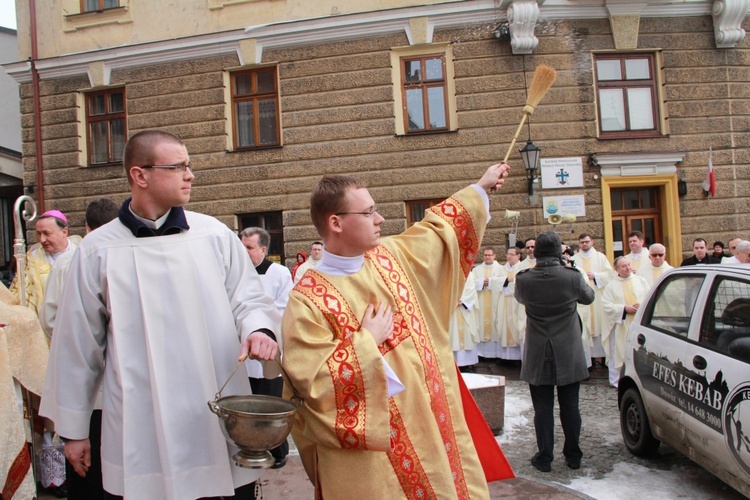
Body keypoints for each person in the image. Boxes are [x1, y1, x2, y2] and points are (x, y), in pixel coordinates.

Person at [39, 130, 282, 500]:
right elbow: (77, 345)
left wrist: (259, 329)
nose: (190, 174)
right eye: (179, 166)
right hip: (140, 414)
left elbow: (249, 299)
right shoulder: (97, 250)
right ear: (140, 175)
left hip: (211, 406)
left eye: (189, 165)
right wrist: (74, 431)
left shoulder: (213, 234)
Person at [281, 163, 512, 498]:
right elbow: (311, 386)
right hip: (373, 456)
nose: (380, 219)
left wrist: (480, 189)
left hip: (431, 424)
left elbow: (438, 230)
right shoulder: (306, 301)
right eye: (369, 212)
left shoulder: (391, 255)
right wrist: (366, 343)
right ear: (336, 223)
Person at [39, 198, 119, 500]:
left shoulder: (68, 262)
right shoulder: (122, 255)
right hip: (117, 386)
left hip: (81, 387)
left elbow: (50, 321)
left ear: (85, 227)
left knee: (83, 465)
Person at [514, 231, 595, 473]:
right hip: (568, 349)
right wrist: (571, 269)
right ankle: (573, 455)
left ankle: (545, 457)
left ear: (535, 253)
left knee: (542, 408)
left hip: (538, 350)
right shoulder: (571, 276)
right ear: (560, 252)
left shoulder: (524, 279)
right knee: (571, 406)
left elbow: (520, 299)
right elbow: (589, 298)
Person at [239, 226, 293, 468]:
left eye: (249, 247)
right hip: (244, 350)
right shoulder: (237, 273)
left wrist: (261, 324)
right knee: (248, 407)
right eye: (241, 247)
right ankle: (251, 448)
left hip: (270, 349)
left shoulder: (279, 273)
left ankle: (278, 452)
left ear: (263, 249)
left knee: (271, 406)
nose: (244, 252)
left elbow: (284, 308)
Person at [10, 210, 82, 317]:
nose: (42, 239)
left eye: (47, 233)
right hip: (43, 325)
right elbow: (20, 296)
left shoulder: (80, 255)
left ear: (64, 232)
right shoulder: (31, 259)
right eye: (39, 234)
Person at [602, 257, 650, 388]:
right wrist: (624, 308)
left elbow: (649, 298)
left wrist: (641, 306)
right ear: (616, 269)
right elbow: (606, 305)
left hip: (638, 324)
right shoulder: (611, 286)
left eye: (628, 265)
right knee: (617, 351)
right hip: (620, 325)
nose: (627, 268)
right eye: (623, 266)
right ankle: (617, 380)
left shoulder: (640, 281)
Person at [571, 234, 612, 363]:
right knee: (585, 327)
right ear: (579, 243)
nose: (584, 244)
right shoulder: (574, 259)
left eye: (587, 242)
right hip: (582, 299)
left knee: (599, 324)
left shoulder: (601, 257)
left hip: (597, 295)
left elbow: (609, 274)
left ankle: (603, 358)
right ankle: (589, 361)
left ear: (592, 242)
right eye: (582, 242)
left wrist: (595, 275)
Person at [488, 247, 523, 360]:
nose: (508, 256)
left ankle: (517, 357)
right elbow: (493, 281)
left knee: (516, 325)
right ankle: (504, 357)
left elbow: (520, 283)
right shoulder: (501, 269)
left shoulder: (522, 268)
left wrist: (505, 282)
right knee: (503, 325)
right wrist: (508, 279)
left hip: (516, 303)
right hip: (503, 302)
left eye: (511, 254)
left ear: (518, 256)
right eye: (507, 254)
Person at [471, 247, 503, 358]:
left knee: (495, 324)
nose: (487, 257)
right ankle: (481, 353)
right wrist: (480, 282)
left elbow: (503, 282)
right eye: (485, 255)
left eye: (489, 255)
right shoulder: (476, 270)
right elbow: (471, 283)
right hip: (481, 302)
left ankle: (495, 354)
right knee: (480, 324)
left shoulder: (500, 269)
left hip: (495, 303)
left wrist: (490, 282)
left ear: (495, 256)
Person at [450, 272, 480, 370]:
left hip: (464, 308)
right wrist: (451, 300)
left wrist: (462, 300)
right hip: (451, 309)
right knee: (452, 334)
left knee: (466, 334)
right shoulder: (448, 268)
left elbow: (471, 289)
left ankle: (467, 363)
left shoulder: (468, 273)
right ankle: (452, 362)